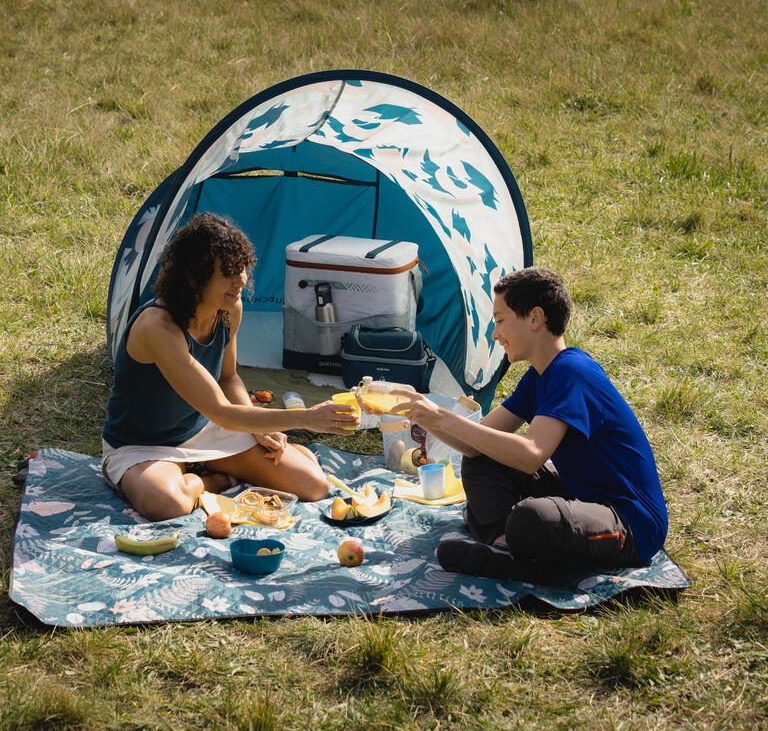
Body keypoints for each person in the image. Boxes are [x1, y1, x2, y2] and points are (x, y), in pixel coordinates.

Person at [390, 266, 668, 584]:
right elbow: (475, 443)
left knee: (534, 517)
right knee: (482, 459)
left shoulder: (572, 372)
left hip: (631, 524)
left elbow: (531, 455)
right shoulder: (539, 377)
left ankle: (522, 549)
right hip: (583, 498)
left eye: (500, 320)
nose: (495, 334)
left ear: (535, 318)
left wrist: (442, 417)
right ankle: (504, 547)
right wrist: (424, 417)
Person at [102, 213, 358, 520]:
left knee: (314, 485)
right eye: (228, 272)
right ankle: (216, 479)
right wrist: (307, 418)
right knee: (166, 505)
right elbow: (221, 411)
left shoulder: (228, 309)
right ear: (194, 277)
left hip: (204, 430)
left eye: (243, 269)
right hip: (142, 445)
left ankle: (203, 469)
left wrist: (263, 430)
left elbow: (228, 377)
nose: (241, 280)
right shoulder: (158, 327)